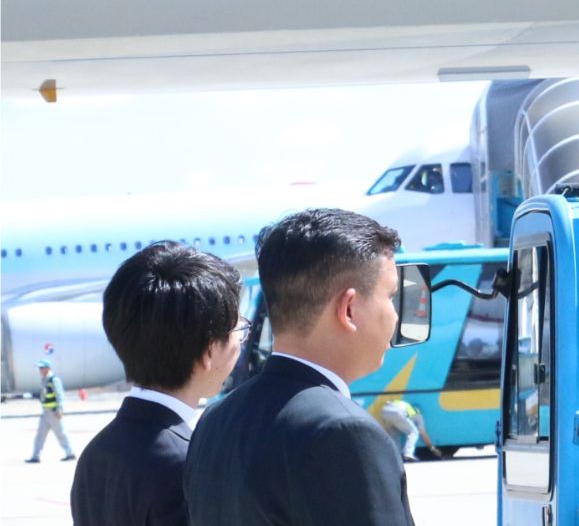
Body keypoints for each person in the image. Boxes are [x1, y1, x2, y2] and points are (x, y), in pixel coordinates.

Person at [185, 209, 414, 526]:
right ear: (348, 309)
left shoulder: (216, 419)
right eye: (390, 295)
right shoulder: (345, 431)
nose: (395, 315)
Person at [71, 241, 245, 526]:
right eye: (240, 329)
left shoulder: (97, 453)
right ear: (209, 351)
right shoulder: (188, 464)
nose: (240, 344)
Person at [26, 357, 74, 463]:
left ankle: (70, 453)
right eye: (40, 368)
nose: (40, 370)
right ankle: (35, 456)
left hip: (54, 412)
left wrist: (59, 410)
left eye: (42, 368)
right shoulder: (44, 380)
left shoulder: (54, 380)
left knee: (61, 434)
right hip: (45, 412)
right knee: (40, 435)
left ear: (48, 368)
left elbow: (59, 395)